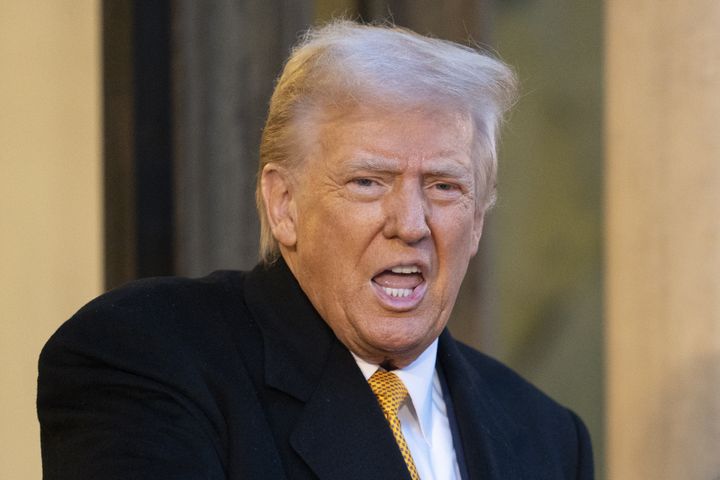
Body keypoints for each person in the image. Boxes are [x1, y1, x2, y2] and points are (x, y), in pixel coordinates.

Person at [38, 20, 593, 479]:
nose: (411, 223)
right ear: (283, 204)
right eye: (368, 182)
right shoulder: (150, 355)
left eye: (444, 186)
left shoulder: (547, 436)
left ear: (477, 222)